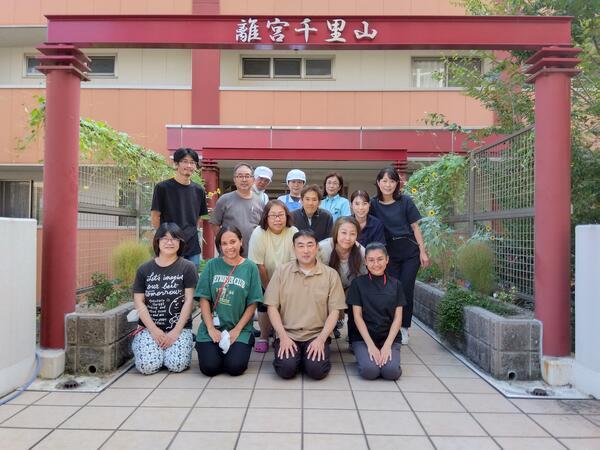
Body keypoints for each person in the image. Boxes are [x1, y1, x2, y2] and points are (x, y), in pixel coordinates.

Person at [264, 230, 346, 380]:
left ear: (317, 248)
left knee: (316, 371)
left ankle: (306, 359)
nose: (306, 250)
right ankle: (297, 358)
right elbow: (272, 307)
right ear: (293, 249)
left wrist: (321, 339)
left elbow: (335, 311)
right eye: (300, 246)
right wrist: (282, 336)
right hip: (288, 333)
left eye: (310, 245)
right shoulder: (282, 272)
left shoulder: (330, 275)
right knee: (286, 370)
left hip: (316, 334)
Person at [369, 167, 430, 345]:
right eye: (384, 181)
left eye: (392, 181)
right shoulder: (373, 204)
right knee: (391, 290)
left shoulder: (405, 201)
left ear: (397, 184)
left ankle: (404, 327)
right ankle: (390, 326)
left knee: (406, 289)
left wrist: (423, 252)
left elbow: (415, 227)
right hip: (389, 252)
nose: (388, 184)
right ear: (378, 182)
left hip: (409, 250)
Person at [195, 226, 263, 376]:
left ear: (241, 242)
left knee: (235, 367)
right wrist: (211, 328)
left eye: (233, 242)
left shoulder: (250, 267)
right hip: (213, 327)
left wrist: (237, 329)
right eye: (224, 243)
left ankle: (244, 342)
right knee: (209, 368)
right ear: (219, 246)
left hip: (239, 328)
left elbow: (253, 303)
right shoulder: (212, 265)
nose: (229, 247)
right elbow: (204, 298)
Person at [131, 223, 198, 375]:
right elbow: (139, 301)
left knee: (176, 365)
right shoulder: (144, 269)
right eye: (165, 238)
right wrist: (154, 330)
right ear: (157, 241)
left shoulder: (187, 267)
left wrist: (175, 332)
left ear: (180, 242)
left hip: (179, 328)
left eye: (175, 238)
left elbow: (189, 301)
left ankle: (178, 347)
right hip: (149, 328)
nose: (170, 242)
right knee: (147, 367)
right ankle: (146, 347)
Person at [347, 242, 405, 380]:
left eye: (380, 259)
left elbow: (398, 318)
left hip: (389, 337)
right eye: (371, 260)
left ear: (387, 260)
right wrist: (371, 346)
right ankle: (363, 357)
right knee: (370, 371)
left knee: (391, 373)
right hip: (363, 338)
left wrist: (387, 345)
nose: (376, 264)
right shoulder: (357, 284)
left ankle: (389, 361)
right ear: (365, 262)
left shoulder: (396, 285)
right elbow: (357, 317)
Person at [248, 200, 298, 353]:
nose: (277, 219)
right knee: (265, 301)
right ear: (266, 217)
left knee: (286, 302)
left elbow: (294, 263)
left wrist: (283, 288)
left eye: (281, 215)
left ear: (286, 216)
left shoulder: (293, 231)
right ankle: (263, 336)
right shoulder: (259, 233)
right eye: (273, 215)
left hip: (288, 276)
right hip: (264, 276)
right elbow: (259, 265)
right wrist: (269, 288)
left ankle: (280, 332)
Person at [150, 147, 208, 269]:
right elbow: (155, 216)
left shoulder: (199, 190)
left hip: (192, 246)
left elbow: (198, 217)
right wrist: (165, 238)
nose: (189, 165)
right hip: (169, 244)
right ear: (176, 164)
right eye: (185, 161)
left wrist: (190, 232)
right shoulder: (162, 188)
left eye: (192, 162)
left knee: (191, 281)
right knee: (170, 281)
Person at [319, 216, 367, 339]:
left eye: (352, 234)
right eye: (343, 233)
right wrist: (337, 304)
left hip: (349, 290)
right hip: (325, 290)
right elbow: (316, 280)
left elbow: (362, 283)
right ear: (336, 232)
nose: (347, 238)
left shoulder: (361, 252)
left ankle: (354, 336)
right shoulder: (322, 248)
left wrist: (342, 303)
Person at [210, 163, 264, 257]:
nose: (244, 179)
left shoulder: (259, 202)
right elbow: (215, 224)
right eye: (240, 176)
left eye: (247, 176)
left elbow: (262, 228)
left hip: (252, 254)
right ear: (235, 179)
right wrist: (224, 244)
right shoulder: (224, 199)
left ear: (253, 179)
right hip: (229, 254)